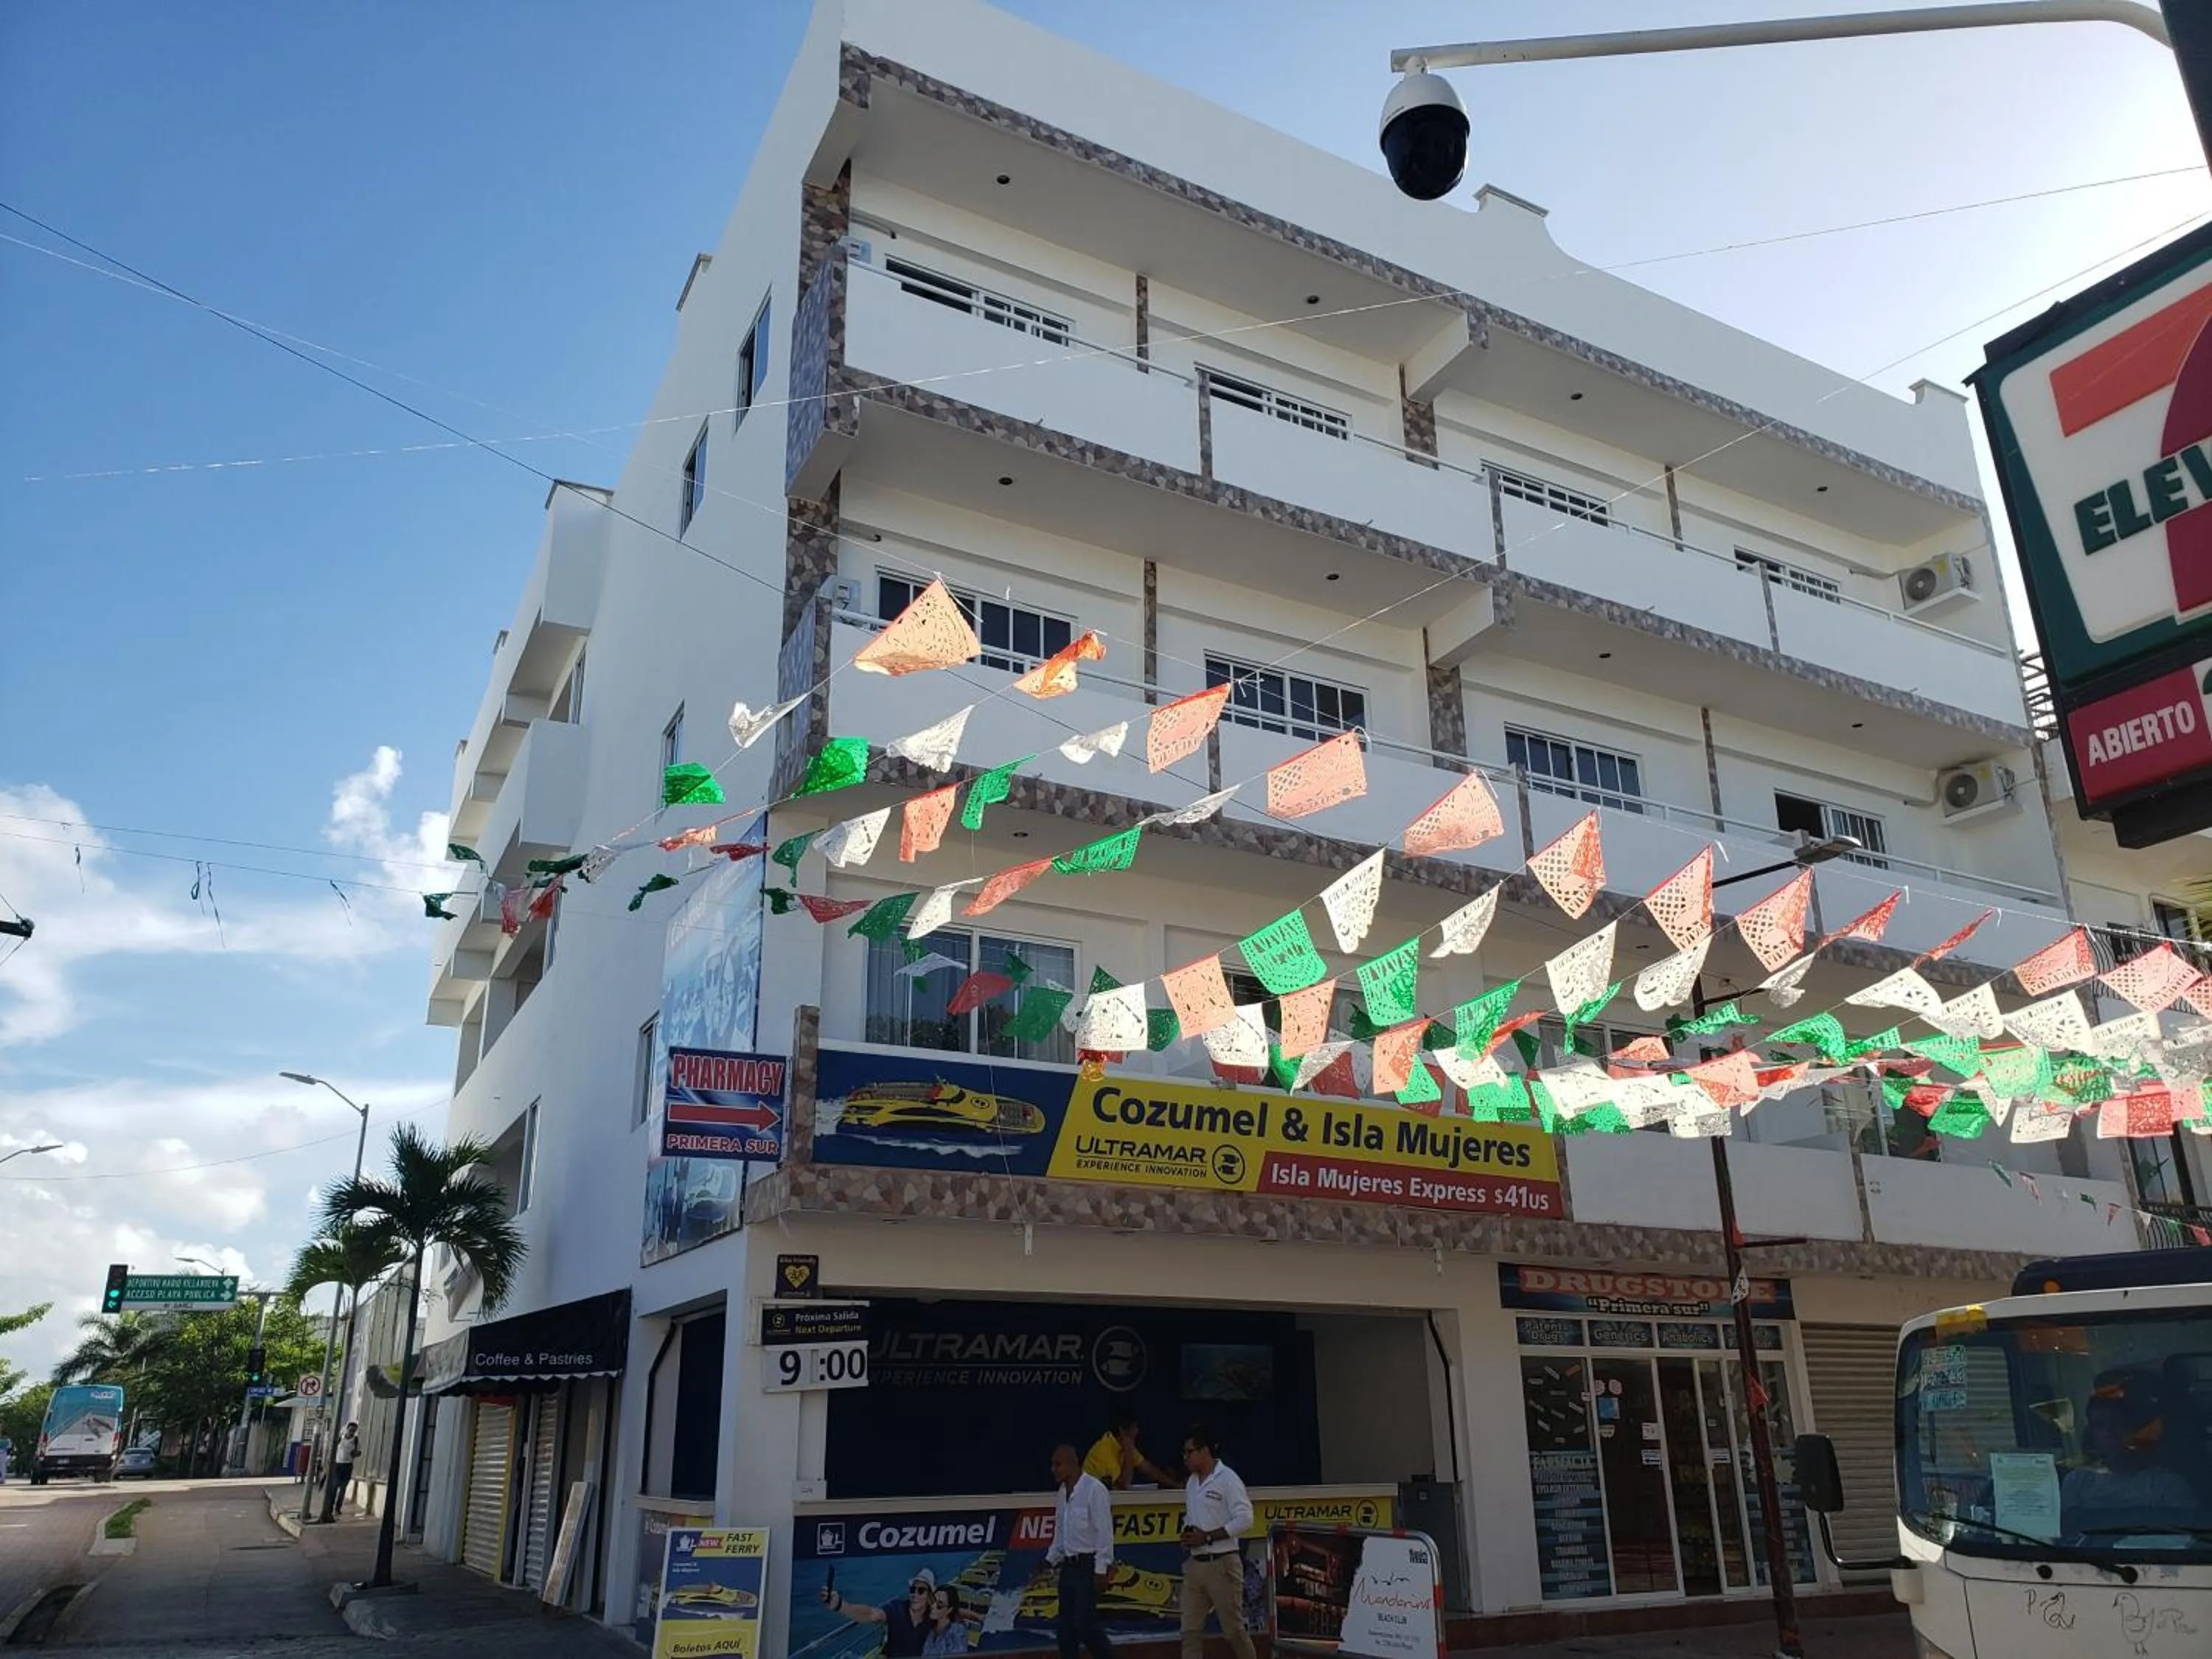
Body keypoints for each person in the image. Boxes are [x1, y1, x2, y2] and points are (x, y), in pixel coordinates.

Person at [2062, 1374, 2194, 1518]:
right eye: (2099, 1425)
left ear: (2137, 1429)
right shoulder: (2078, 1482)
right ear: (2091, 1433)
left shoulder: (2167, 1486)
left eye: (2117, 1424)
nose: (2108, 1432)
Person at [1178, 1427, 1256, 1659]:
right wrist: (1187, 1535)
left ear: (1204, 1451)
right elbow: (1191, 1516)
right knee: (1189, 1631)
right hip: (1195, 1565)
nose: (1185, 1458)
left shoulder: (1228, 1479)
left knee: (1234, 1631)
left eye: (1189, 1453)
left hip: (1222, 1564)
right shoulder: (1192, 1483)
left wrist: (1209, 1536)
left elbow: (1246, 1518)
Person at [1047, 1442, 1116, 1659]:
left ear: (1071, 1464)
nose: (1054, 1470)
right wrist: (1049, 1560)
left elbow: (1104, 1532)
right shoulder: (1061, 1493)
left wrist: (1101, 1569)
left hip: (1088, 1567)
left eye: (1058, 1465)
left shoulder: (1094, 1490)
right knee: (1065, 1631)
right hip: (1068, 1567)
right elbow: (1060, 1533)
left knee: (1084, 1625)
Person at [822, 1566, 933, 1658]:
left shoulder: (935, 1617)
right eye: (913, 1589)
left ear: (929, 1596)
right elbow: (871, 1614)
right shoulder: (896, 1609)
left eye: (921, 1591)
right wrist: (840, 1605)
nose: (915, 1595)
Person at [1083, 1410, 1180, 1491]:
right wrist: (1128, 1453)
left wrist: (1176, 1485)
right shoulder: (1105, 1449)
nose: (1137, 1431)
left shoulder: (1123, 1444)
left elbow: (1148, 1469)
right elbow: (1124, 1485)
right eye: (1134, 1428)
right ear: (1122, 1431)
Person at [920, 1582, 967, 1658]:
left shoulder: (957, 1631)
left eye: (940, 1605)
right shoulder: (928, 1628)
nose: (933, 1606)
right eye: (933, 1601)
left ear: (949, 1610)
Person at [327, 1422, 361, 1519]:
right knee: (334, 1487)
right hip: (338, 1465)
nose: (352, 1432)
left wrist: (355, 1453)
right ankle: (330, 1508)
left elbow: (359, 1452)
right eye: (350, 1430)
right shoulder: (340, 1438)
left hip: (347, 1466)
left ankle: (338, 1508)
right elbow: (333, 1450)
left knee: (343, 1488)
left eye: (354, 1431)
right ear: (347, 1429)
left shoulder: (356, 1441)